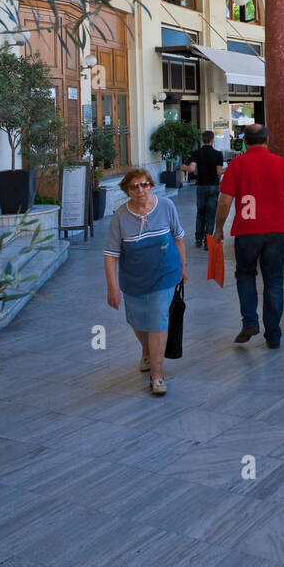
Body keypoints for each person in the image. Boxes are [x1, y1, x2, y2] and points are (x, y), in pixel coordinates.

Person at [213, 123, 284, 347]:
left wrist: (218, 229)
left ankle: (250, 321)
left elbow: (225, 201)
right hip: (276, 231)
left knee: (245, 275)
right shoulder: (280, 163)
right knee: (274, 282)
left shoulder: (238, 164)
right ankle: (273, 335)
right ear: (267, 140)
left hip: (247, 231)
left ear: (245, 142)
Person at [104, 168, 187, 397]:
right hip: (134, 279)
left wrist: (183, 266)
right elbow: (111, 254)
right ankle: (147, 350)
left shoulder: (166, 207)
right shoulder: (120, 217)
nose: (140, 190)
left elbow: (178, 237)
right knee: (138, 322)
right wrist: (112, 287)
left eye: (144, 184)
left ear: (151, 185)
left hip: (165, 274)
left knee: (159, 318)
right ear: (127, 191)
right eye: (134, 186)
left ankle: (157, 374)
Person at [185, 130, 225, 248]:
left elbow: (191, 169)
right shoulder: (218, 154)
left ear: (203, 140)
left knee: (200, 213)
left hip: (201, 186)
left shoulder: (196, 153)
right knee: (211, 214)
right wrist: (229, 168)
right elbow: (219, 172)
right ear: (212, 140)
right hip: (213, 186)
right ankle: (208, 242)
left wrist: (183, 167)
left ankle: (198, 239)